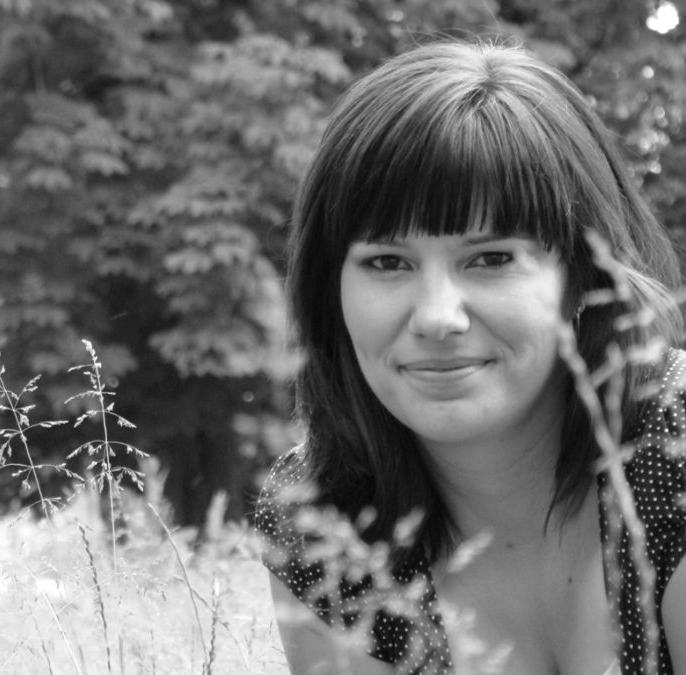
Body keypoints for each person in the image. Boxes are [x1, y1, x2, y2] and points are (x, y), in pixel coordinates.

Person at [255, 39, 686, 675]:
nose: (436, 317)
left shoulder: (674, 452)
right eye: (387, 262)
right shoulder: (319, 522)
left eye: (490, 258)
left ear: (583, 277)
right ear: (331, 293)